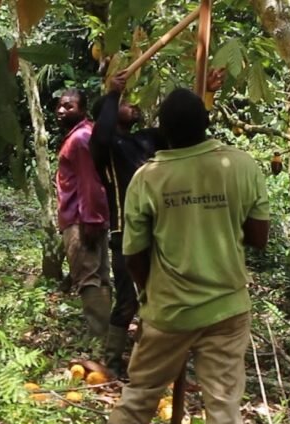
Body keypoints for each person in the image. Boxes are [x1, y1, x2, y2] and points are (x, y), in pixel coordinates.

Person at [84, 88, 270, 424]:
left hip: (168, 314)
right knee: (224, 408)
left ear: (161, 132)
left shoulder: (147, 178)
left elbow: (133, 255)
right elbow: (259, 238)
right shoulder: (241, 165)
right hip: (227, 309)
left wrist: (151, 293)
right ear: (208, 124)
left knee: (137, 399)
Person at [90, 69, 228, 376]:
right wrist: (113, 93)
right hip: (125, 234)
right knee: (128, 301)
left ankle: (150, 364)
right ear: (109, 116)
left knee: (161, 302)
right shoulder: (106, 149)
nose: (132, 104)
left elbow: (187, 131)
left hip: (163, 233)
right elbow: (101, 134)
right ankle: (112, 362)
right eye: (124, 103)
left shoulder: (148, 140)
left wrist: (205, 94)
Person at [55, 88, 111, 342]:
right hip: (86, 218)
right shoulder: (83, 135)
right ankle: (108, 337)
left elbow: (91, 182)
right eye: (60, 106)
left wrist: (92, 220)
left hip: (81, 220)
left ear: (83, 110)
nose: (61, 110)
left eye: (69, 106)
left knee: (89, 279)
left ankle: (101, 341)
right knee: (99, 277)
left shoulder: (80, 139)